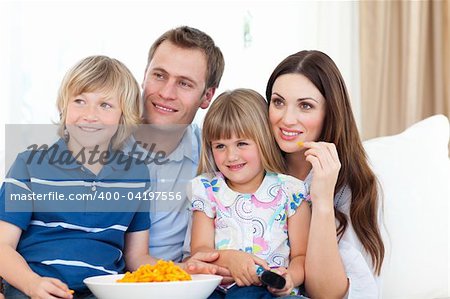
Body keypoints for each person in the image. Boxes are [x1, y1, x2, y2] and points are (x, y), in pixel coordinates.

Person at [0, 55, 219, 299]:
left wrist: (183, 271)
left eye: (105, 105)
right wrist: (32, 284)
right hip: (33, 285)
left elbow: (137, 257)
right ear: (64, 106)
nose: (90, 115)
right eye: (80, 101)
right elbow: (2, 246)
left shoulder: (136, 175)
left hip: (100, 290)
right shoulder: (29, 165)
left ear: (123, 117)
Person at [266, 50, 385, 298]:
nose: (287, 119)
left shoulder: (354, 185)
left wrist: (321, 201)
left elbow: (326, 294)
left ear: (330, 112)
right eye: (278, 102)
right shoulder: (250, 167)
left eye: (305, 106)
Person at [189, 89, 312, 298]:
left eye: (242, 143)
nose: (231, 156)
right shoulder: (207, 189)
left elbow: (301, 255)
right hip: (222, 289)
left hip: (272, 291)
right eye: (220, 146)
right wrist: (230, 259)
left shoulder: (290, 191)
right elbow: (200, 251)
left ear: (263, 140)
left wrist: (289, 277)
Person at [124, 26, 225, 262]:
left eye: (185, 84)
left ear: (207, 96)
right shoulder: (97, 139)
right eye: (159, 75)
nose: (167, 93)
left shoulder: (216, 155)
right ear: (144, 75)